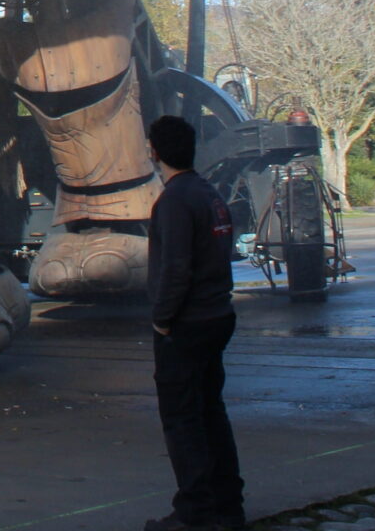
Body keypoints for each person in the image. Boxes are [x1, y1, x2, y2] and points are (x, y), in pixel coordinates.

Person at [145, 114, 244, 531]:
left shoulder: (173, 202)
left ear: (155, 153)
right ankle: (227, 505)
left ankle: (195, 512)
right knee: (210, 413)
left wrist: (163, 321)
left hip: (187, 323)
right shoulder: (209, 194)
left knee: (182, 419)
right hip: (217, 314)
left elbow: (175, 269)